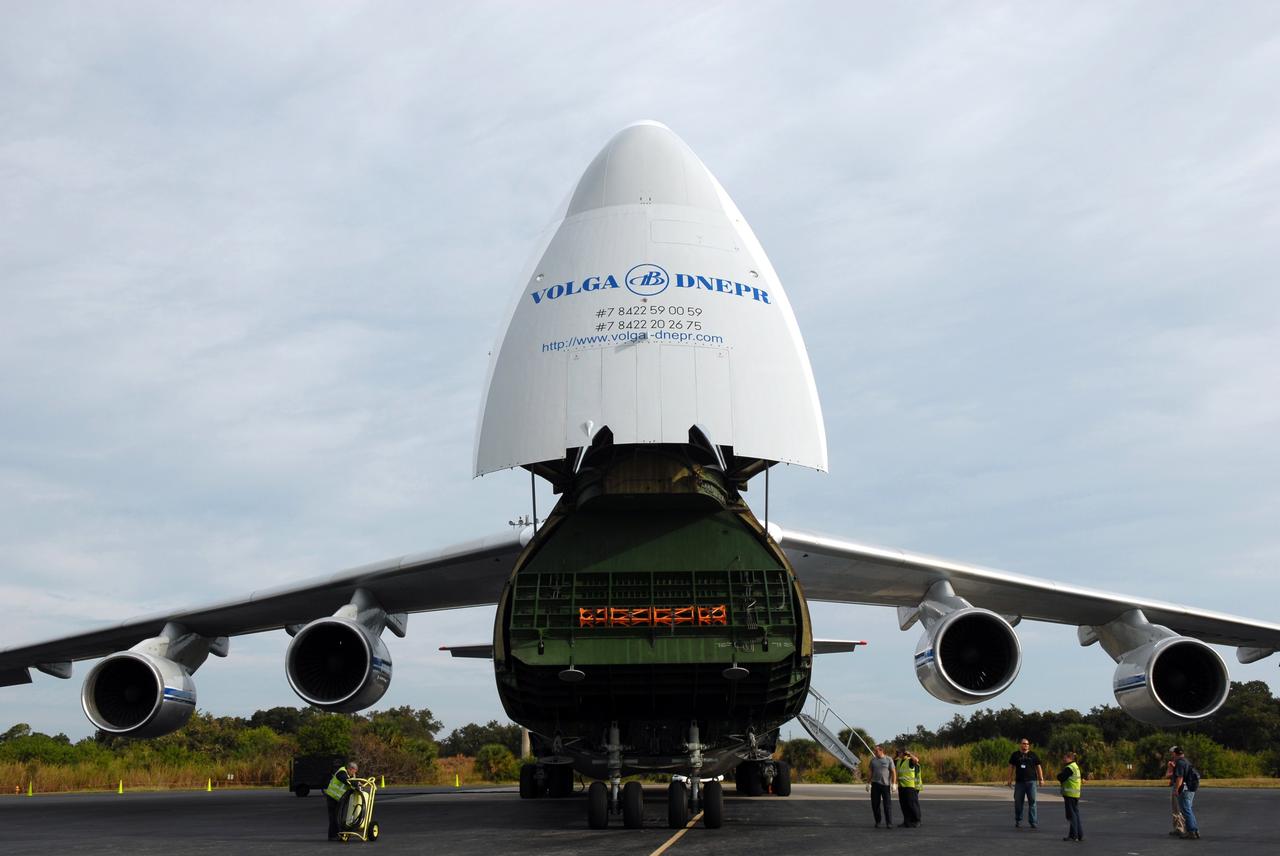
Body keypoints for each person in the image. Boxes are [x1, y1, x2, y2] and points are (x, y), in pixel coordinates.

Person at [1005, 737, 1044, 828]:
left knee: (1032, 802)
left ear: (1028, 745)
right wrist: (1009, 779)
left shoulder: (1033, 755)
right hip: (1019, 783)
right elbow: (1011, 767)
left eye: (1027, 744)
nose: (1025, 745)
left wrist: (1041, 779)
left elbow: (1038, 767)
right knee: (1018, 802)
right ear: (1020, 745)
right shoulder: (1015, 755)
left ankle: (1033, 822)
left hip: (1031, 782)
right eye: (1024, 743)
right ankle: (1018, 819)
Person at [324, 761, 359, 841]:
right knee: (333, 817)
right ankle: (332, 836)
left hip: (337, 798)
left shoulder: (349, 775)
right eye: (354, 771)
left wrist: (357, 785)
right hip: (332, 797)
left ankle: (336, 834)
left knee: (337, 816)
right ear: (350, 769)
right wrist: (355, 783)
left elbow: (351, 785)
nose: (354, 773)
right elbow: (345, 780)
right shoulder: (342, 772)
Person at [1170, 746, 1200, 840]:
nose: (1172, 755)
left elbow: (1180, 778)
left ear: (1175, 753)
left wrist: (1176, 790)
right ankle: (1195, 831)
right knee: (1188, 809)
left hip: (1185, 789)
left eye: (1172, 753)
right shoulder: (1186, 761)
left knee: (1186, 810)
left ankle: (1191, 831)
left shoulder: (1179, 762)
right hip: (1191, 788)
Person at [868, 745, 897, 828]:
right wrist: (868, 783)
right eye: (874, 751)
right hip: (875, 785)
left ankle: (889, 823)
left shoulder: (888, 759)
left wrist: (894, 783)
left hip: (885, 785)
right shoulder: (873, 760)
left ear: (881, 751)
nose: (875, 752)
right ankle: (878, 821)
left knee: (887, 805)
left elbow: (893, 772)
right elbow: (870, 772)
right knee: (875, 804)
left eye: (876, 751)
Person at [1057, 750, 1083, 842]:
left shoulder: (1069, 768)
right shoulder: (1075, 766)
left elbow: (1061, 777)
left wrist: (1058, 775)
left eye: (1064, 757)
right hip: (1075, 794)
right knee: (1076, 814)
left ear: (1069, 758)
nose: (1063, 759)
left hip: (1070, 794)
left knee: (1071, 815)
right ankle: (1079, 835)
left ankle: (1074, 835)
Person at [894, 747, 922, 827]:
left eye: (900, 752)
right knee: (904, 805)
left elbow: (916, 760)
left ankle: (917, 820)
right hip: (901, 786)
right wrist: (896, 755)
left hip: (910, 786)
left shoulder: (909, 760)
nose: (898, 754)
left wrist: (909, 754)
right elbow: (891, 762)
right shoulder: (898, 761)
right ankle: (906, 821)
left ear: (904, 753)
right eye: (898, 753)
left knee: (912, 804)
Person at [1166, 753, 1186, 837]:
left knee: (1179, 808)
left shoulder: (1181, 763)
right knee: (1175, 808)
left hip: (1180, 786)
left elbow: (1179, 776)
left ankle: (1182, 828)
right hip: (1178, 785)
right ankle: (1178, 828)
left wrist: (1172, 768)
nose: (1172, 756)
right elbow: (1168, 776)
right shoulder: (1176, 763)